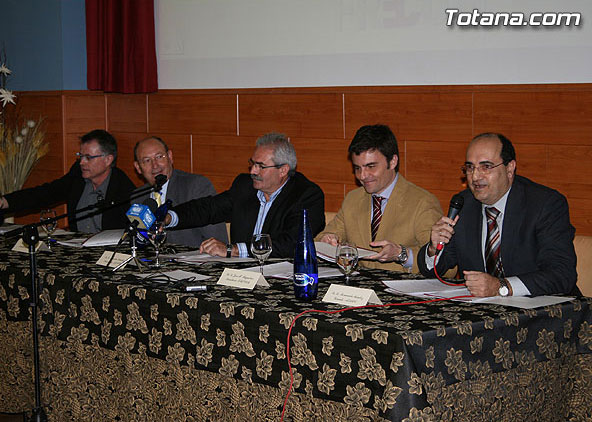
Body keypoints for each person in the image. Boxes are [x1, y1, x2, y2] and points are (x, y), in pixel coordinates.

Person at [418, 133, 578, 297]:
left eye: (486, 167)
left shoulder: (545, 204)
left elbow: (562, 275)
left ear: (510, 168)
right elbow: (436, 270)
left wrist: (502, 287)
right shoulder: (464, 204)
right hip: (488, 313)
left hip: (546, 311)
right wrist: (433, 248)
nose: (475, 176)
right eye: (470, 167)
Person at [165, 132, 325, 258]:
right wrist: (169, 217)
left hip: (281, 278)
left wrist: (233, 250)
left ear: (283, 170)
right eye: (252, 163)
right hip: (240, 275)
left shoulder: (307, 196)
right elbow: (209, 208)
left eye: (260, 166)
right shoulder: (245, 186)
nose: (253, 171)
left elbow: (290, 244)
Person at [316, 124, 443, 273]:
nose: (362, 176)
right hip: (359, 291)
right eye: (357, 168)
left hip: (401, 291)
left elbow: (443, 265)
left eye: (371, 166)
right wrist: (327, 240)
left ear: (393, 161)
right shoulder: (353, 199)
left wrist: (401, 254)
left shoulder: (422, 202)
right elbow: (319, 242)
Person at [0, 129, 136, 233]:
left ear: (108, 160)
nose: (82, 162)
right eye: (80, 156)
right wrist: (5, 202)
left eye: (88, 157)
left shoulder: (123, 189)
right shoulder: (78, 176)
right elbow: (45, 193)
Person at [133, 136, 228, 248]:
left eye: (159, 157)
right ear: (138, 167)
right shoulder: (137, 197)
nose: (155, 165)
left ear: (170, 157)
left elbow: (217, 242)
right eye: (147, 160)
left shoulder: (196, 186)